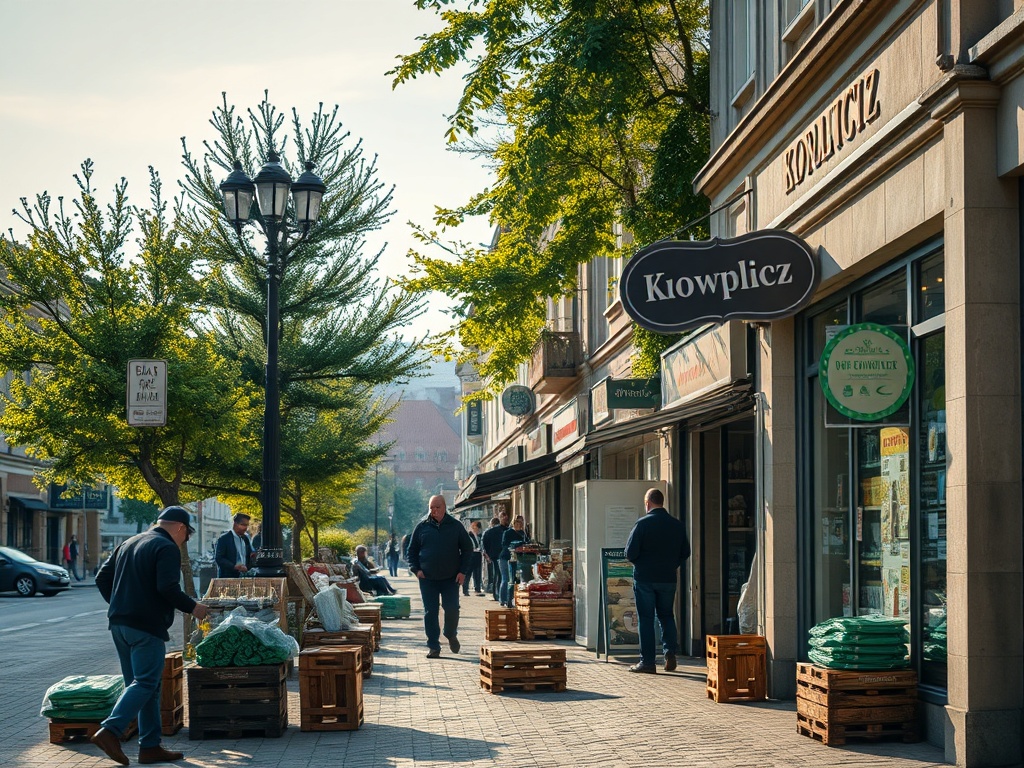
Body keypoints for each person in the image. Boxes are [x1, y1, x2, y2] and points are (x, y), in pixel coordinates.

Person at [91, 506, 210, 766]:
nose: (184, 540)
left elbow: (102, 578)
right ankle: (110, 731)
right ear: (180, 527)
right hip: (145, 627)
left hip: (120, 625)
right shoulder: (166, 547)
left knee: (144, 686)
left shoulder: (129, 542)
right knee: (146, 683)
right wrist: (195, 607)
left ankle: (150, 747)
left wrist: (120, 605)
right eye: (187, 535)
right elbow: (167, 588)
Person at [623, 488, 690, 674]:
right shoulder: (677, 525)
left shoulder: (642, 524)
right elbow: (686, 552)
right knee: (667, 615)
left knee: (645, 619)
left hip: (645, 578)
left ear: (647, 503)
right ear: (662, 501)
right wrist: (671, 564)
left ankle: (648, 662)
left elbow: (630, 553)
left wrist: (642, 563)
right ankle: (670, 653)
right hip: (668, 578)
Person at [407, 495, 473, 658]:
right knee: (430, 611)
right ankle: (433, 646)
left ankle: (450, 634)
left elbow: (467, 549)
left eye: (437, 507)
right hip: (427, 578)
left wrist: (462, 571)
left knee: (452, 609)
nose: (434, 511)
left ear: (444, 507)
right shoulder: (422, 527)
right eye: (431, 508)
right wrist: (416, 570)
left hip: (451, 578)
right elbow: (411, 551)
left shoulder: (456, 526)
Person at [499, 514, 527, 608]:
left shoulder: (523, 533)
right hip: (506, 558)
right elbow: (505, 544)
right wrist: (516, 545)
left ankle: (513, 599)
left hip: (518, 559)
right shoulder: (507, 532)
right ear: (513, 523)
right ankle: (503, 599)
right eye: (517, 522)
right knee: (506, 578)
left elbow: (527, 543)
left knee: (517, 579)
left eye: (521, 522)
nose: (519, 524)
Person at [214, 513, 254, 578]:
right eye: (243, 525)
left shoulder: (246, 538)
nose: (245, 528)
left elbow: (249, 556)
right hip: (228, 577)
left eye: (247, 525)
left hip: (244, 576)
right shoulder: (224, 538)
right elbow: (219, 558)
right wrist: (234, 567)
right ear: (235, 524)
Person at [481, 513, 507, 601]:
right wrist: (489, 553)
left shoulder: (506, 530)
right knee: (498, 575)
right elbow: (485, 542)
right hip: (496, 555)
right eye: (503, 517)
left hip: (498, 555)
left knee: (498, 575)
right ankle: (497, 594)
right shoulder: (492, 531)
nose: (504, 518)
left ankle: (498, 594)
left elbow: (484, 542)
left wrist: (489, 553)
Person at [463, 520, 485, 596]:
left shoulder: (479, 536)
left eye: (478, 529)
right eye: (476, 528)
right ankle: (465, 589)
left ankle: (477, 588)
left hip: (478, 555)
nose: (477, 530)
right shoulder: (469, 535)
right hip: (471, 555)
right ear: (473, 527)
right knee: (468, 573)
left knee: (477, 573)